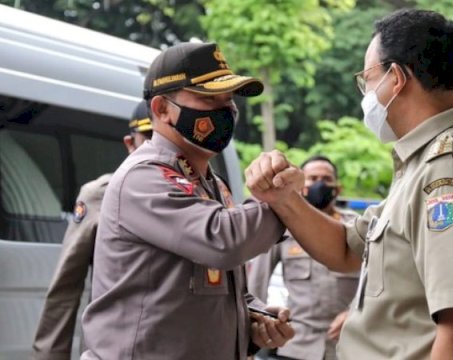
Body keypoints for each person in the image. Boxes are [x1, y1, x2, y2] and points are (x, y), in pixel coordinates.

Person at [244, 8, 453, 359]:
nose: (367, 94)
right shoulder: (421, 163)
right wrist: (285, 198)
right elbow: (347, 250)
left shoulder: (449, 171)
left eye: (368, 79)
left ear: (396, 78)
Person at [80, 42, 295, 360]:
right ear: (161, 109)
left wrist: (251, 315)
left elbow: (198, 286)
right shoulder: (144, 177)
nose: (225, 111)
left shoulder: (211, 183)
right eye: (208, 99)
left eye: (228, 100)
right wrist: (285, 199)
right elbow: (223, 241)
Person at [32, 100, 152, 360]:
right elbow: (65, 287)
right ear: (130, 145)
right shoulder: (102, 194)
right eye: (149, 138)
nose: (158, 148)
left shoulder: (197, 196)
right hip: (113, 349)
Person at [248, 155, 359, 360]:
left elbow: (380, 279)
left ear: (338, 188)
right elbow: (257, 282)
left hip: (350, 345)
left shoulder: (356, 227)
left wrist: (355, 312)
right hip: (297, 345)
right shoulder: (283, 225)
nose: (319, 184)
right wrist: (252, 334)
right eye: (313, 178)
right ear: (300, 185)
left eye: (326, 179)